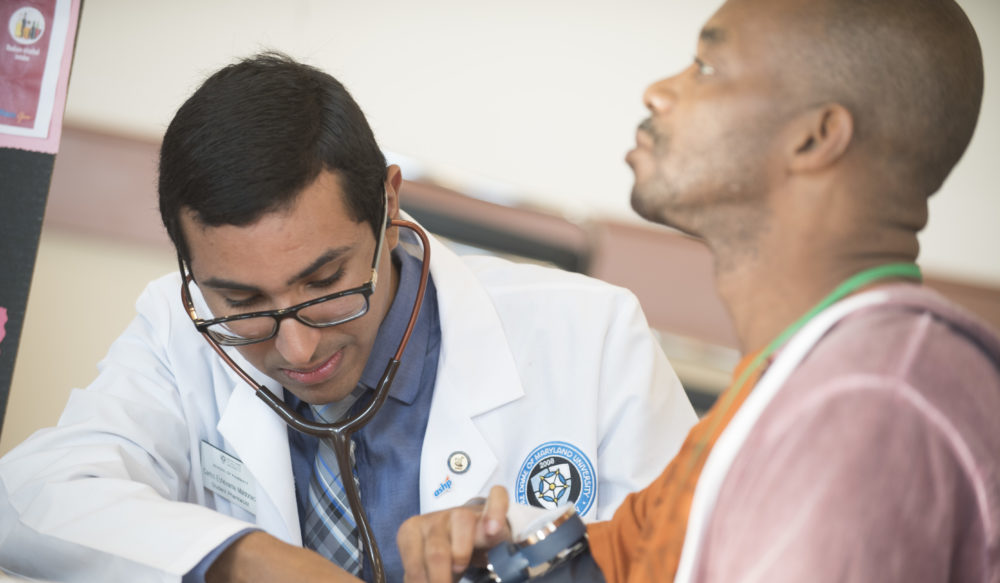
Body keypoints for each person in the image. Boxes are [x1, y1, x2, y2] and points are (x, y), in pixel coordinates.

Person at [0, 52, 698, 582]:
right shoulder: (173, 328)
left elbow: (698, 556)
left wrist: (522, 546)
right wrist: (246, 558)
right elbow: (31, 495)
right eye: (242, 303)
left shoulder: (592, 335)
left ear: (391, 206)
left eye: (325, 281)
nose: (297, 348)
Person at [397, 0, 1000, 581]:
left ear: (816, 138)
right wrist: (496, 547)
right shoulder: (792, 384)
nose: (658, 91)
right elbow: (625, 559)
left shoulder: (870, 409)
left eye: (706, 68)